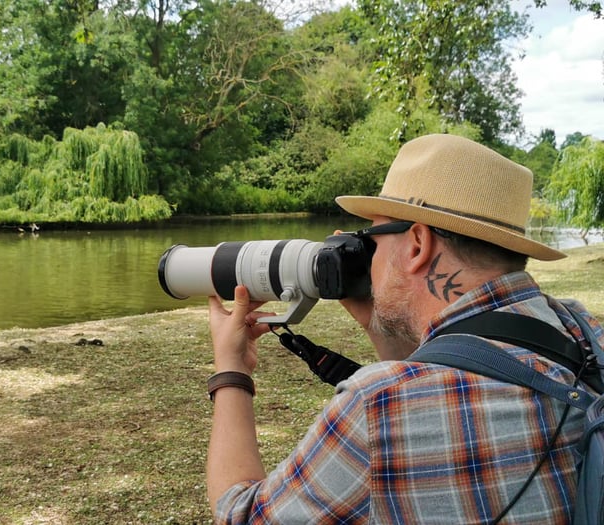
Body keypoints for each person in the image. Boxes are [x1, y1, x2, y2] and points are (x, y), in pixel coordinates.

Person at [205, 133, 604, 524]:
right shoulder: (584, 330)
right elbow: (447, 371)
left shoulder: (377, 405)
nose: (368, 256)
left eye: (372, 239)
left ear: (416, 244)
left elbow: (238, 514)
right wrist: (379, 325)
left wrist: (231, 369)